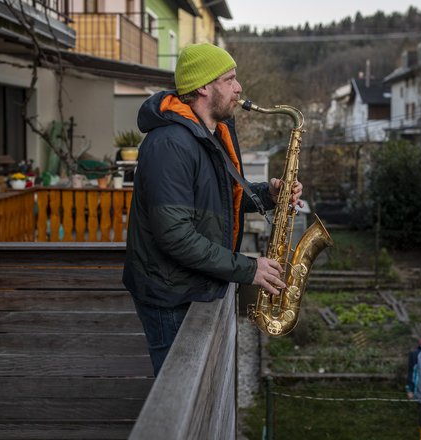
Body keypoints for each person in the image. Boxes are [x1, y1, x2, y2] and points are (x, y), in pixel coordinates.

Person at [122, 43, 303, 376]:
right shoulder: (170, 145)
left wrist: (269, 194)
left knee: (196, 382)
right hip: (170, 295)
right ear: (204, 86)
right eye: (230, 79)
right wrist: (248, 269)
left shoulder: (209, 134)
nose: (239, 88)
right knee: (177, 389)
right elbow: (175, 235)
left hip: (192, 286)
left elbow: (217, 202)